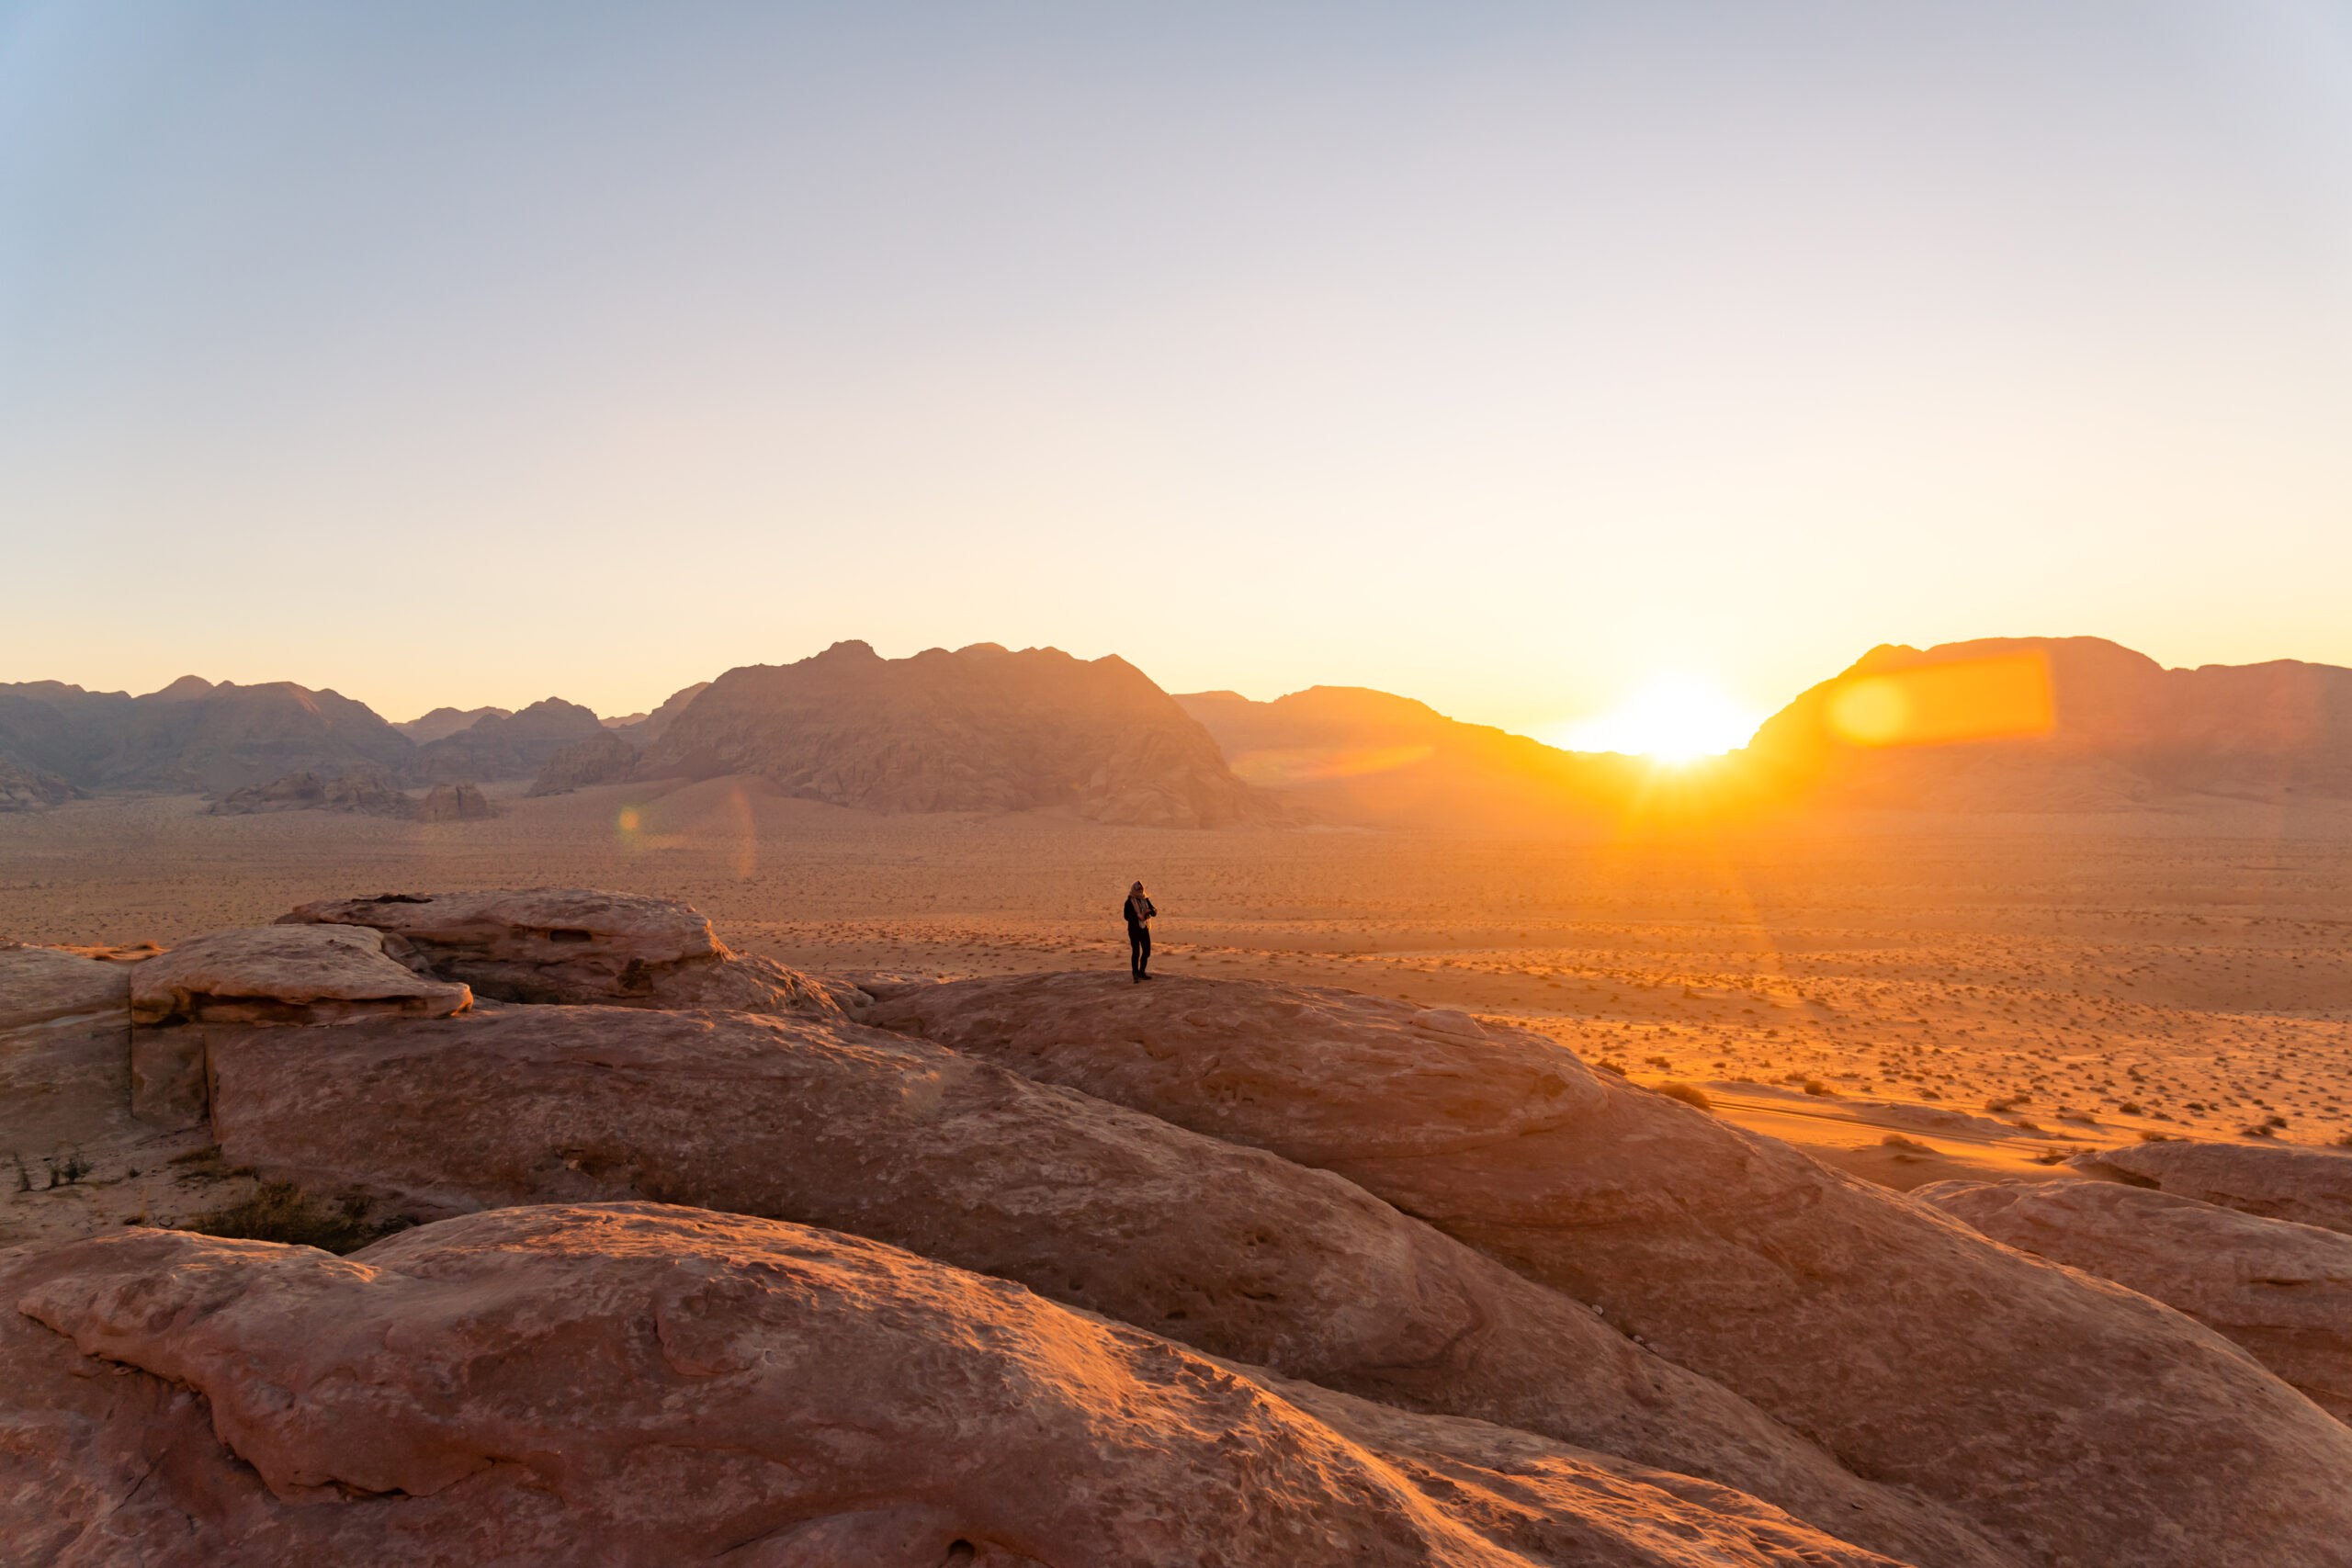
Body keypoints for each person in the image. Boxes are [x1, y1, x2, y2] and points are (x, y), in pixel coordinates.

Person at [1124, 880, 1157, 983]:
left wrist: (1149, 911)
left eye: (1142, 889)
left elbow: (1154, 911)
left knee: (1147, 952)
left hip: (1144, 928)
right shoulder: (1129, 901)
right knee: (1136, 952)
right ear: (1134, 889)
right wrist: (1138, 916)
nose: (1141, 890)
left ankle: (1142, 972)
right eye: (1139, 889)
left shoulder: (1145, 899)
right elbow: (1126, 916)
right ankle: (1135, 973)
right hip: (1134, 929)